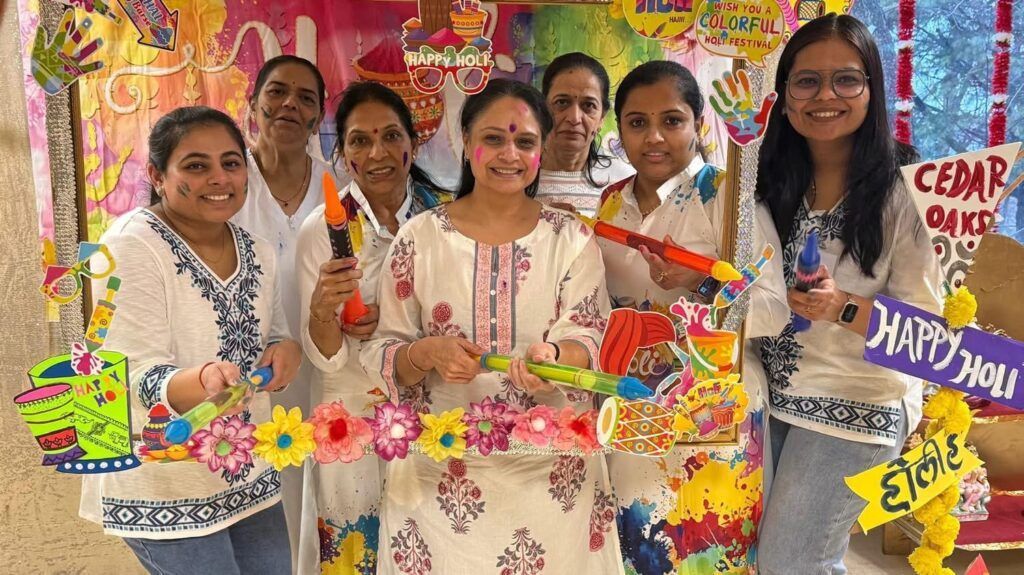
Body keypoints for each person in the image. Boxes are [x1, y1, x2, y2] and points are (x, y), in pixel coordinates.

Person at [361, 79, 623, 574]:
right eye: (494, 139)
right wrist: (425, 353)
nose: (510, 154)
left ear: (541, 149)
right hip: (439, 481)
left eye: (524, 141)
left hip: (551, 481)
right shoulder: (420, 239)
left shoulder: (571, 238)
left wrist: (556, 362)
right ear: (465, 140)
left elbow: (587, 332)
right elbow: (381, 348)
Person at [754, 14, 943, 575]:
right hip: (769, 398)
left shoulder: (909, 190)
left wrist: (844, 307)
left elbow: (930, 333)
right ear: (784, 96)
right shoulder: (768, 181)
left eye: (847, 80)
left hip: (857, 404)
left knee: (792, 564)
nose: (825, 96)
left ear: (872, 89)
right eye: (806, 81)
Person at [79, 106, 301, 574]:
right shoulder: (130, 246)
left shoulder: (256, 248)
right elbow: (124, 371)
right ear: (159, 176)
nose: (218, 178)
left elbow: (275, 333)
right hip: (164, 479)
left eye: (231, 162)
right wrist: (199, 379)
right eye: (196, 166)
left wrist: (285, 351)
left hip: (246, 469)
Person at [597, 61, 788, 574]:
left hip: (713, 407)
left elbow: (773, 310)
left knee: (707, 547)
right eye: (637, 122)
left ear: (698, 123)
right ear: (620, 131)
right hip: (633, 403)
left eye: (672, 120)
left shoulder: (726, 197)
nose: (654, 136)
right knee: (637, 545)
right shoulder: (609, 206)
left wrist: (698, 283)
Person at [294, 82, 451, 574]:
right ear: (343, 152)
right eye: (360, 140)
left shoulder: (447, 216)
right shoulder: (322, 229)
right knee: (354, 546)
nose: (377, 152)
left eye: (390, 135)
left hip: (431, 404)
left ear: (414, 143)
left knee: (433, 540)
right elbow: (325, 355)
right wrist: (324, 313)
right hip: (350, 412)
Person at [231, 55, 331, 564]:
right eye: (277, 92)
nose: (290, 103)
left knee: (325, 495)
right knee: (265, 505)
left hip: (328, 369)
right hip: (248, 373)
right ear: (255, 104)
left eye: (306, 97)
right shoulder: (228, 185)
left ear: (318, 118)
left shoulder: (338, 189)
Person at [535, 52, 633, 217]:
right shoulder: (516, 175)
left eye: (588, 105)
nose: (574, 118)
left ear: (602, 117)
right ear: (543, 109)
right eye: (562, 102)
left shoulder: (625, 183)